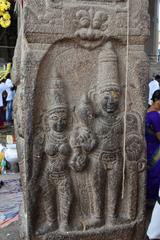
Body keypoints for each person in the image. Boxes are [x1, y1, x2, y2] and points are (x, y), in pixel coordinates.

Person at [145, 89, 160, 206]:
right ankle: (153, 200)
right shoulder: (155, 116)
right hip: (156, 149)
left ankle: (148, 199)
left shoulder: (147, 112)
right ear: (158, 101)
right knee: (155, 174)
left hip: (147, 148)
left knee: (149, 173)